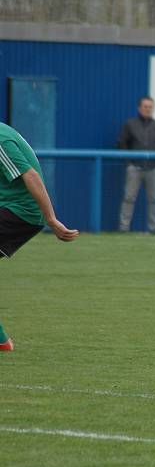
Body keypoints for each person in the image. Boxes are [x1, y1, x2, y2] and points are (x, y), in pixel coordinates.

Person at [0, 122, 79, 351]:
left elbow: (31, 175)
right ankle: (2, 340)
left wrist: (51, 220)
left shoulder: (1, 140)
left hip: (22, 212)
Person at [117, 95, 155, 234]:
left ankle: (154, 228)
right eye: (145, 106)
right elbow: (121, 143)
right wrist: (129, 163)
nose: (147, 109)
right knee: (129, 197)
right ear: (139, 108)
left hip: (153, 168)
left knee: (153, 199)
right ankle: (123, 228)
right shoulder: (130, 124)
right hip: (134, 167)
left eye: (150, 107)